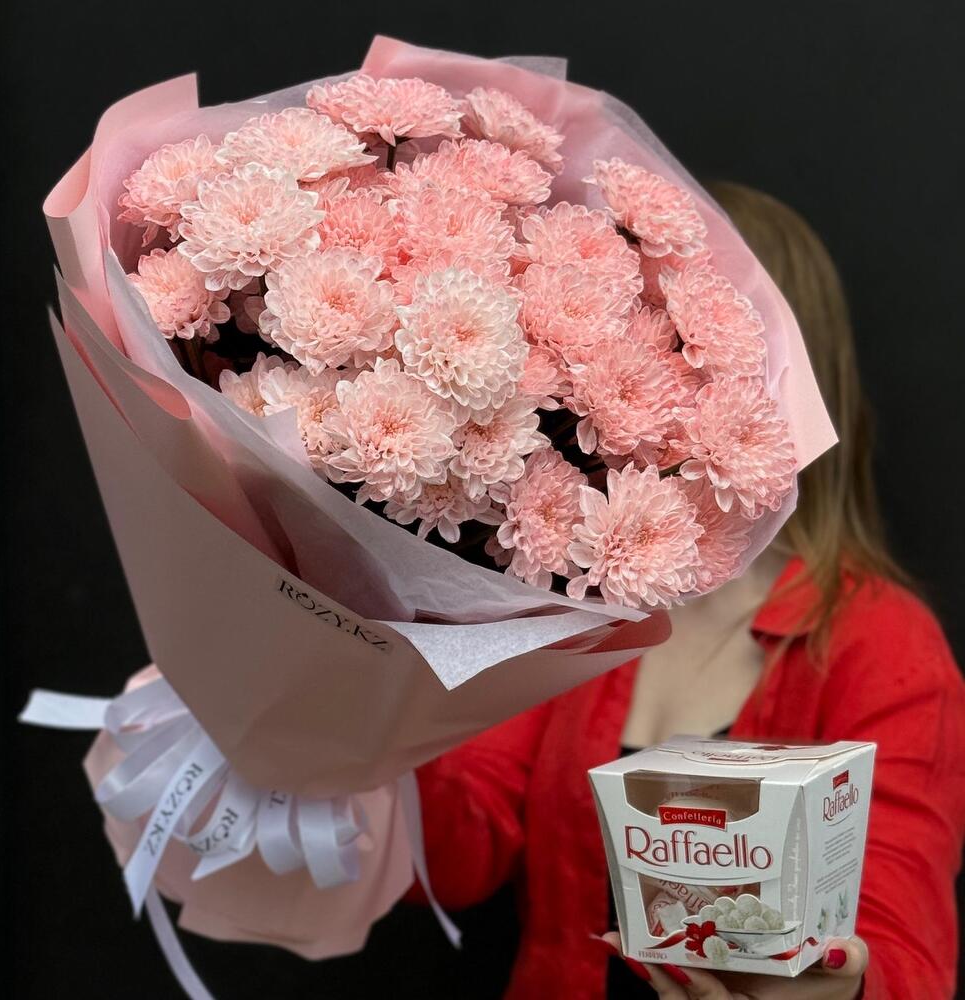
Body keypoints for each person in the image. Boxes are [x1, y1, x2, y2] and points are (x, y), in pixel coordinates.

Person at [411, 183, 965, 999]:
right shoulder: (578, 596)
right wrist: (380, 688)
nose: (635, 372)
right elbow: (458, 853)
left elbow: (905, 946)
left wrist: (840, 987)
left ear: (780, 380)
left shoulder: (882, 643)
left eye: (674, 347)